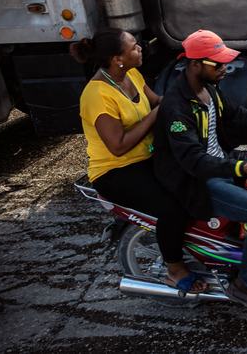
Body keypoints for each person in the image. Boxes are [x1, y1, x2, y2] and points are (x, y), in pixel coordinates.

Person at [155, 30, 247, 312]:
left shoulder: (208, 89)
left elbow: (238, 114)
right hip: (196, 181)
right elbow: (193, 161)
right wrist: (244, 167)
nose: (225, 69)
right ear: (195, 64)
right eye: (218, 64)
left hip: (220, 163)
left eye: (225, 62)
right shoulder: (177, 106)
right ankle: (246, 285)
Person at [72, 29, 205, 296]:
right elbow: (118, 145)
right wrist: (156, 114)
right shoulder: (96, 95)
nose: (140, 49)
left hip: (148, 157)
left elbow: (158, 102)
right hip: (116, 171)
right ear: (117, 59)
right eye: (133, 47)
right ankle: (175, 269)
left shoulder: (132, 75)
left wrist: (189, 101)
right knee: (172, 208)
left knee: (201, 180)